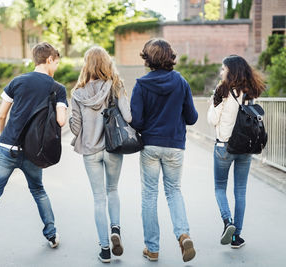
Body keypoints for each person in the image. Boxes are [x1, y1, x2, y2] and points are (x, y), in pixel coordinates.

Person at [0, 42, 68, 262]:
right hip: (34, 151)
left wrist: (4, 137)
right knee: (39, 191)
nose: (56, 67)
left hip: (7, 147)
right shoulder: (58, 88)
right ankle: (51, 235)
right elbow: (61, 121)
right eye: (57, 62)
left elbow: (1, 115)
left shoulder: (17, 81)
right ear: (50, 59)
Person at [130, 39, 198, 262]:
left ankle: (152, 248)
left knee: (149, 195)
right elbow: (192, 117)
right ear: (170, 56)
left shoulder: (141, 85)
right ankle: (183, 234)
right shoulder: (181, 82)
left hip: (150, 145)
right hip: (175, 146)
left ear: (147, 58)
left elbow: (137, 121)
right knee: (174, 191)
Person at [69, 46, 131, 263]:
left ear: (86, 65)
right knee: (113, 189)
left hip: (90, 150)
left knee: (98, 198)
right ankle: (116, 229)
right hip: (113, 147)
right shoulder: (116, 85)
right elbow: (129, 117)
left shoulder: (77, 92)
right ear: (107, 63)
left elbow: (75, 128)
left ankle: (105, 249)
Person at [207, 55, 265, 249]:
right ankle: (236, 237)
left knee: (219, 188)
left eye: (223, 69)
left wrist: (213, 101)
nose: (221, 72)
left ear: (231, 70)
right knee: (240, 191)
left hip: (224, 147)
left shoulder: (222, 90)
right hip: (245, 148)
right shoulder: (251, 91)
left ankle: (227, 222)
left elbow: (212, 120)